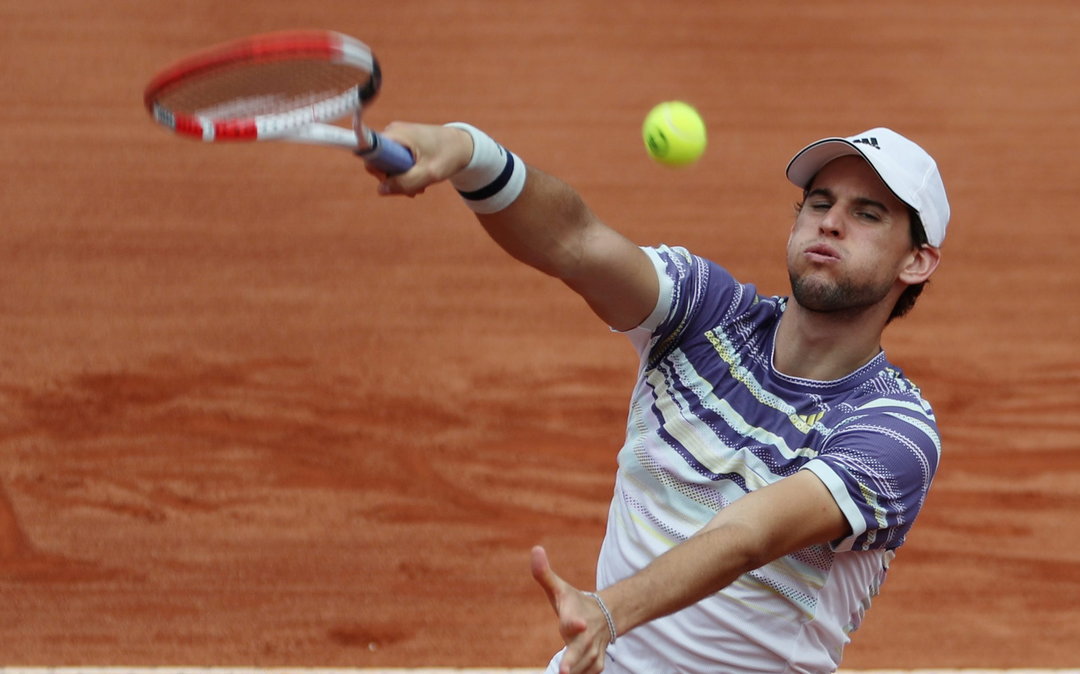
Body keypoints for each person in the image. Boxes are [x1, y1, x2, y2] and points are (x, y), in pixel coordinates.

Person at [370, 120, 949, 674]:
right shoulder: (705, 314)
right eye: (819, 204)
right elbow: (575, 242)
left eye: (867, 214)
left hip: (605, 631)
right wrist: (470, 153)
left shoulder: (895, 431)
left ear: (915, 261)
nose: (830, 223)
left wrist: (609, 612)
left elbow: (746, 537)